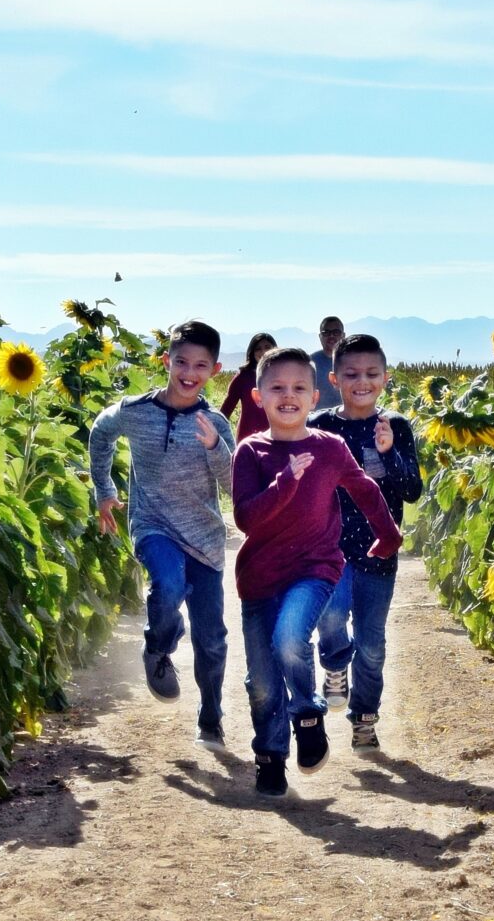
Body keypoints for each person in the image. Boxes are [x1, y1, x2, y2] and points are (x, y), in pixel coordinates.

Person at [231, 347, 400, 797]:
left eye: (299, 388)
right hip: (260, 577)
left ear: (314, 395)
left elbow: (363, 489)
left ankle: (307, 713)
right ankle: (269, 756)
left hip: (314, 568)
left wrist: (389, 533)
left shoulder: (329, 448)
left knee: (291, 639)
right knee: (263, 683)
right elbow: (246, 519)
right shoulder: (250, 452)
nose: (289, 396)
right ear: (258, 396)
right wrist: (285, 481)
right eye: (278, 388)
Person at [86, 320, 238, 741]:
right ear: (166, 360)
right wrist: (104, 490)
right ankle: (158, 647)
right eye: (181, 362)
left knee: (212, 639)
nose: (189, 373)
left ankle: (211, 716)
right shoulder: (135, 412)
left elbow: (231, 484)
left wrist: (214, 448)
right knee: (167, 584)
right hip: (153, 525)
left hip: (205, 540)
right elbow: (101, 432)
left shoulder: (214, 423)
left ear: (215, 369)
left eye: (201, 366)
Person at [308, 332, 421, 752]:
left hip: (379, 551)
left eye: (372, 373)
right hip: (329, 548)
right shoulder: (320, 427)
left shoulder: (396, 427)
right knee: (332, 620)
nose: (362, 381)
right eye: (352, 374)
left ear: (385, 378)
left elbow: (412, 491)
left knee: (372, 645)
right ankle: (335, 665)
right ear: (335, 378)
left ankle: (365, 718)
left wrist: (390, 453)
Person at [221, 331, 277, 441]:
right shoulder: (243, 377)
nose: (263, 352)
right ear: (252, 352)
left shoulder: (283, 376)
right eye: (258, 349)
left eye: (267, 347)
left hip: (276, 437)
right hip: (247, 437)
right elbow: (225, 411)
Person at [308, 315, 344, 408]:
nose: (331, 336)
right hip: (317, 419)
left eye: (336, 332)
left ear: (343, 335)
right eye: (326, 333)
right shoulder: (309, 362)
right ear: (320, 336)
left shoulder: (353, 362)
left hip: (347, 418)